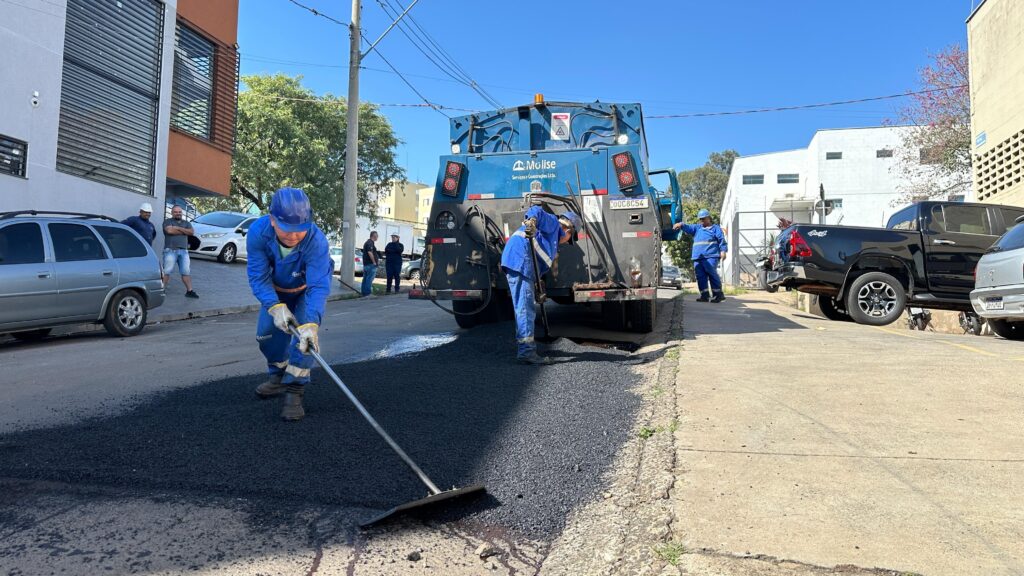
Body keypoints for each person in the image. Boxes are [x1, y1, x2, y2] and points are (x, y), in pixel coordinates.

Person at [248, 187, 332, 421]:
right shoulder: (257, 232)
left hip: (306, 293)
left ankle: (295, 391)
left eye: (299, 231)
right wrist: (274, 306)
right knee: (265, 337)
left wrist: (311, 323)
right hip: (275, 293)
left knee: (305, 342)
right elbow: (258, 276)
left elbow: (318, 285)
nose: (293, 237)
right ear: (273, 219)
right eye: (287, 229)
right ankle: (278, 377)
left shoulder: (316, 241)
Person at [500, 206, 581, 364]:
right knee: (525, 308)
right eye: (569, 238)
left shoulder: (552, 240)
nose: (566, 242)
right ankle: (526, 352)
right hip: (520, 260)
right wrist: (531, 222)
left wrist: (538, 283)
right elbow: (536, 210)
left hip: (524, 263)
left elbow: (539, 260)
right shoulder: (554, 224)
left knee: (525, 306)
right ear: (568, 228)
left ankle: (526, 348)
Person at [673, 208, 729, 303]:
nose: (702, 221)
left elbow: (721, 240)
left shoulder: (716, 229)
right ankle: (704, 295)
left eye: (703, 219)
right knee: (700, 276)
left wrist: (723, 251)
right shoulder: (697, 228)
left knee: (712, 274)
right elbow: (688, 227)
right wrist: (681, 224)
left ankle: (718, 295)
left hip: (711, 256)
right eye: (700, 219)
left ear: (709, 218)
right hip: (698, 257)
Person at [163, 205, 198, 298]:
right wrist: (184, 232)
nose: (178, 213)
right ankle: (161, 290)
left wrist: (178, 228)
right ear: (172, 213)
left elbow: (191, 232)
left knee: (186, 272)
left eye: (179, 212)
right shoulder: (167, 221)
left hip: (184, 251)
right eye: (176, 212)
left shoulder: (186, 222)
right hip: (171, 250)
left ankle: (189, 291)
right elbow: (169, 231)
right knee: (167, 271)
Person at [361, 231, 380, 296]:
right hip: (370, 264)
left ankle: (364, 293)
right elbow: (370, 252)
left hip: (366, 264)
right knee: (369, 279)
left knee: (365, 279)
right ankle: (367, 293)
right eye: (377, 236)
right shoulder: (370, 243)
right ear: (374, 236)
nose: (377, 237)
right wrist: (374, 262)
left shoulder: (368, 242)